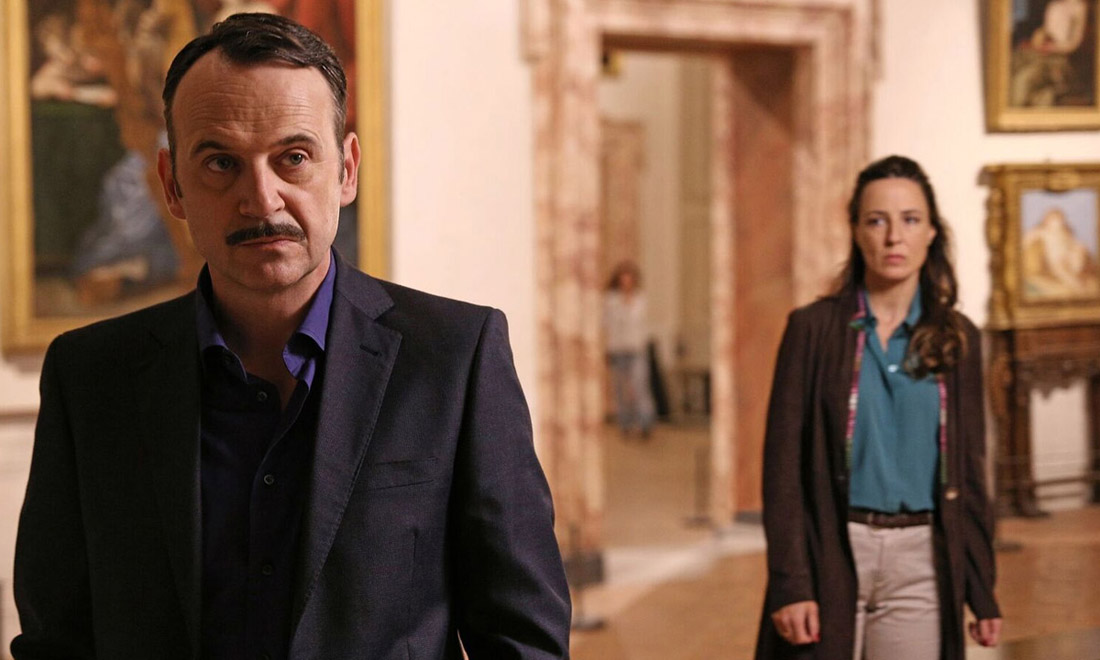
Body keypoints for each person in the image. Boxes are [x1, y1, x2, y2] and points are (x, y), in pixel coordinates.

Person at [12, 13, 570, 660]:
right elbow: (57, 639)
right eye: (221, 163)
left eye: (294, 158)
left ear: (347, 169)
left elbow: (523, 639)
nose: (262, 198)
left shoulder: (454, 357)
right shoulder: (91, 377)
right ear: (172, 185)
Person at [753, 156, 1001, 659]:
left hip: (921, 562)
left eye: (910, 219)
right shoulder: (812, 330)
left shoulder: (958, 339)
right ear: (855, 231)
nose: (894, 238)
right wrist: (790, 581)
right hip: (831, 551)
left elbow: (971, 471)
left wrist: (980, 586)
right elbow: (783, 468)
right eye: (876, 220)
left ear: (931, 232)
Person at [603, 260, 656, 437]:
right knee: (620, 389)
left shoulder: (640, 299)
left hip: (636, 349)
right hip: (618, 350)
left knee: (639, 387)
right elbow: (608, 324)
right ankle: (624, 423)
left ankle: (645, 422)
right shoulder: (611, 300)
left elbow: (639, 322)